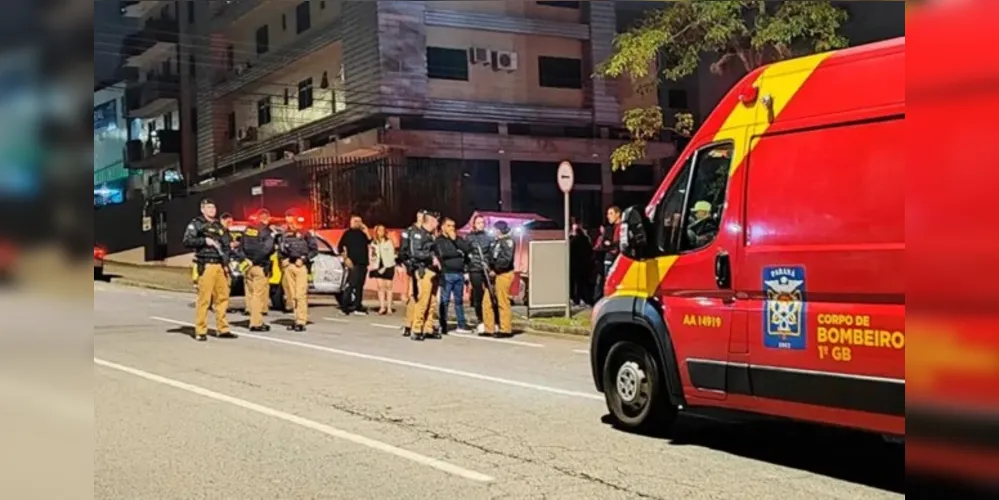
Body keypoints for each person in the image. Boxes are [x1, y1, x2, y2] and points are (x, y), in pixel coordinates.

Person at [182, 198, 235, 342]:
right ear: (202, 209)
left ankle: (223, 329)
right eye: (209, 207)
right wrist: (204, 241)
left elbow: (226, 244)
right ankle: (200, 330)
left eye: (214, 207)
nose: (212, 210)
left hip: (220, 265)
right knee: (204, 299)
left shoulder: (219, 226)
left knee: (222, 298)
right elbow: (187, 241)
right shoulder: (196, 224)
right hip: (206, 264)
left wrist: (229, 254)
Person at [279, 209, 318, 331]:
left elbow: (314, 250)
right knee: (292, 295)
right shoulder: (285, 233)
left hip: (300, 266)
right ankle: (296, 319)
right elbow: (280, 249)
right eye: (287, 217)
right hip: (289, 265)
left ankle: (301, 320)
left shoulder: (305, 233)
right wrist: (283, 259)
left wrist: (304, 259)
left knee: (300, 294)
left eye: (290, 217)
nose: (288, 221)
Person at [406, 210, 441, 341]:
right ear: (431, 221)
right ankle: (416, 328)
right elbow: (415, 253)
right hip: (423, 270)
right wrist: (431, 258)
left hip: (433, 271)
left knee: (432, 301)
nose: (437, 223)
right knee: (423, 300)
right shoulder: (418, 234)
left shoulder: (431, 235)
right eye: (436, 220)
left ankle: (428, 328)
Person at [240, 208, 276, 332]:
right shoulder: (267, 232)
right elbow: (267, 249)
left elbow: (241, 247)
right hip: (259, 266)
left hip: (248, 266)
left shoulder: (248, 230)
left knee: (250, 294)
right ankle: (256, 323)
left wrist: (246, 260)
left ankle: (253, 319)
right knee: (258, 296)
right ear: (266, 218)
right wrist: (255, 261)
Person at [480, 220, 516, 338]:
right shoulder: (496, 242)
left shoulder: (508, 242)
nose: (493, 231)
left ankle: (506, 329)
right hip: (492, 274)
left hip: (503, 274)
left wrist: (496, 270)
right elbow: (491, 256)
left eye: (495, 229)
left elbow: (506, 260)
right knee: (487, 301)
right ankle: (489, 328)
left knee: (502, 301)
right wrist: (487, 264)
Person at [435, 217, 471, 334]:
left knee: (459, 301)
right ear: (443, 227)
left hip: (459, 274)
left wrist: (455, 241)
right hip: (447, 274)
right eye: (449, 226)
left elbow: (467, 249)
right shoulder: (439, 240)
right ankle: (443, 325)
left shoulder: (457, 239)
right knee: (444, 300)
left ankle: (461, 324)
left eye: (453, 226)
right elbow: (444, 254)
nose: (452, 228)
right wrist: (457, 253)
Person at [464, 215, 492, 334]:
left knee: (491, 293)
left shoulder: (489, 237)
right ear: (474, 224)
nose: (480, 224)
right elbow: (465, 254)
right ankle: (480, 319)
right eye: (478, 222)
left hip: (486, 268)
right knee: (478, 294)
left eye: (482, 222)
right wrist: (466, 270)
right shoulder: (469, 238)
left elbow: (491, 253)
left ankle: (491, 319)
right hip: (474, 268)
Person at [339, 215, 371, 315]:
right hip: (353, 263)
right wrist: (346, 259)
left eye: (359, 221)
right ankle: (345, 306)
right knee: (351, 284)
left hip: (363, 263)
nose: (358, 223)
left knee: (360, 286)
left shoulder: (362, 234)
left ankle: (358, 305)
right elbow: (340, 247)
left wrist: (366, 231)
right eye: (355, 221)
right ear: (351, 222)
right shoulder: (347, 234)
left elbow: (370, 242)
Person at [399, 210, 425, 337]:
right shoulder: (409, 231)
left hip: (425, 268)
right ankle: (409, 323)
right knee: (413, 295)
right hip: (413, 267)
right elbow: (403, 250)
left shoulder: (428, 232)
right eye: (420, 217)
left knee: (422, 296)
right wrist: (408, 263)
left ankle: (420, 323)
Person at [594, 206, 622, 301]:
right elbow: (604, 243)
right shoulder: (610, 228)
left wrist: (611, 245)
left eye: (610, 213)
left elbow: (617, 243)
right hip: (610, 257)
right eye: (607, 214)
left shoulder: (621, 227)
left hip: (616, 258)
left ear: (618, 214)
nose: (608, 216)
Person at [369, 224, 397, 315]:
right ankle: (382, 307)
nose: (380, 232)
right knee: (380, 287)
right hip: (378, 266)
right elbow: (373, 255)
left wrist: (385, 267)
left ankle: (389, 307)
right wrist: (374, 266)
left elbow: (392, 256)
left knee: (388, 287)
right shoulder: (374, 243)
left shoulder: (388, 242)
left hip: (388, 266)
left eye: (382, 230)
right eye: (379, 230)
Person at [569, 219, 594, 306]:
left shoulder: (572, 240)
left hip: (574, 264)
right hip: (584, 264)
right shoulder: (586, 239)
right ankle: (583, 299)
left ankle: (575, 299)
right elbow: (590, 251)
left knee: (574, 282)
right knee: (582, 283)